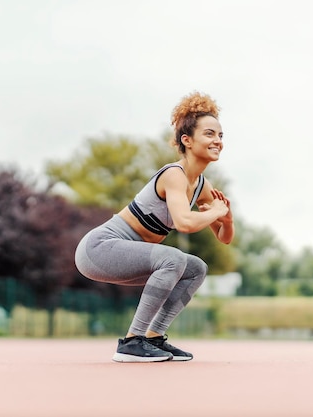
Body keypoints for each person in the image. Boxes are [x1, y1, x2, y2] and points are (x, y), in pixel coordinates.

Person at [74, 91, 234, 362]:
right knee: (173, 258)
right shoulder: (174, 175)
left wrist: (226, 219)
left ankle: (153, 337)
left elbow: (224, 238)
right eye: (209, 134)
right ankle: (132, 342)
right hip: (98, 249)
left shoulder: (202, 186)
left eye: (220, 135)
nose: (217, 141)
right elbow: (184, 222)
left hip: (125, 254)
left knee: (196, 268)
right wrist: (215, 212)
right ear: (187, 140)